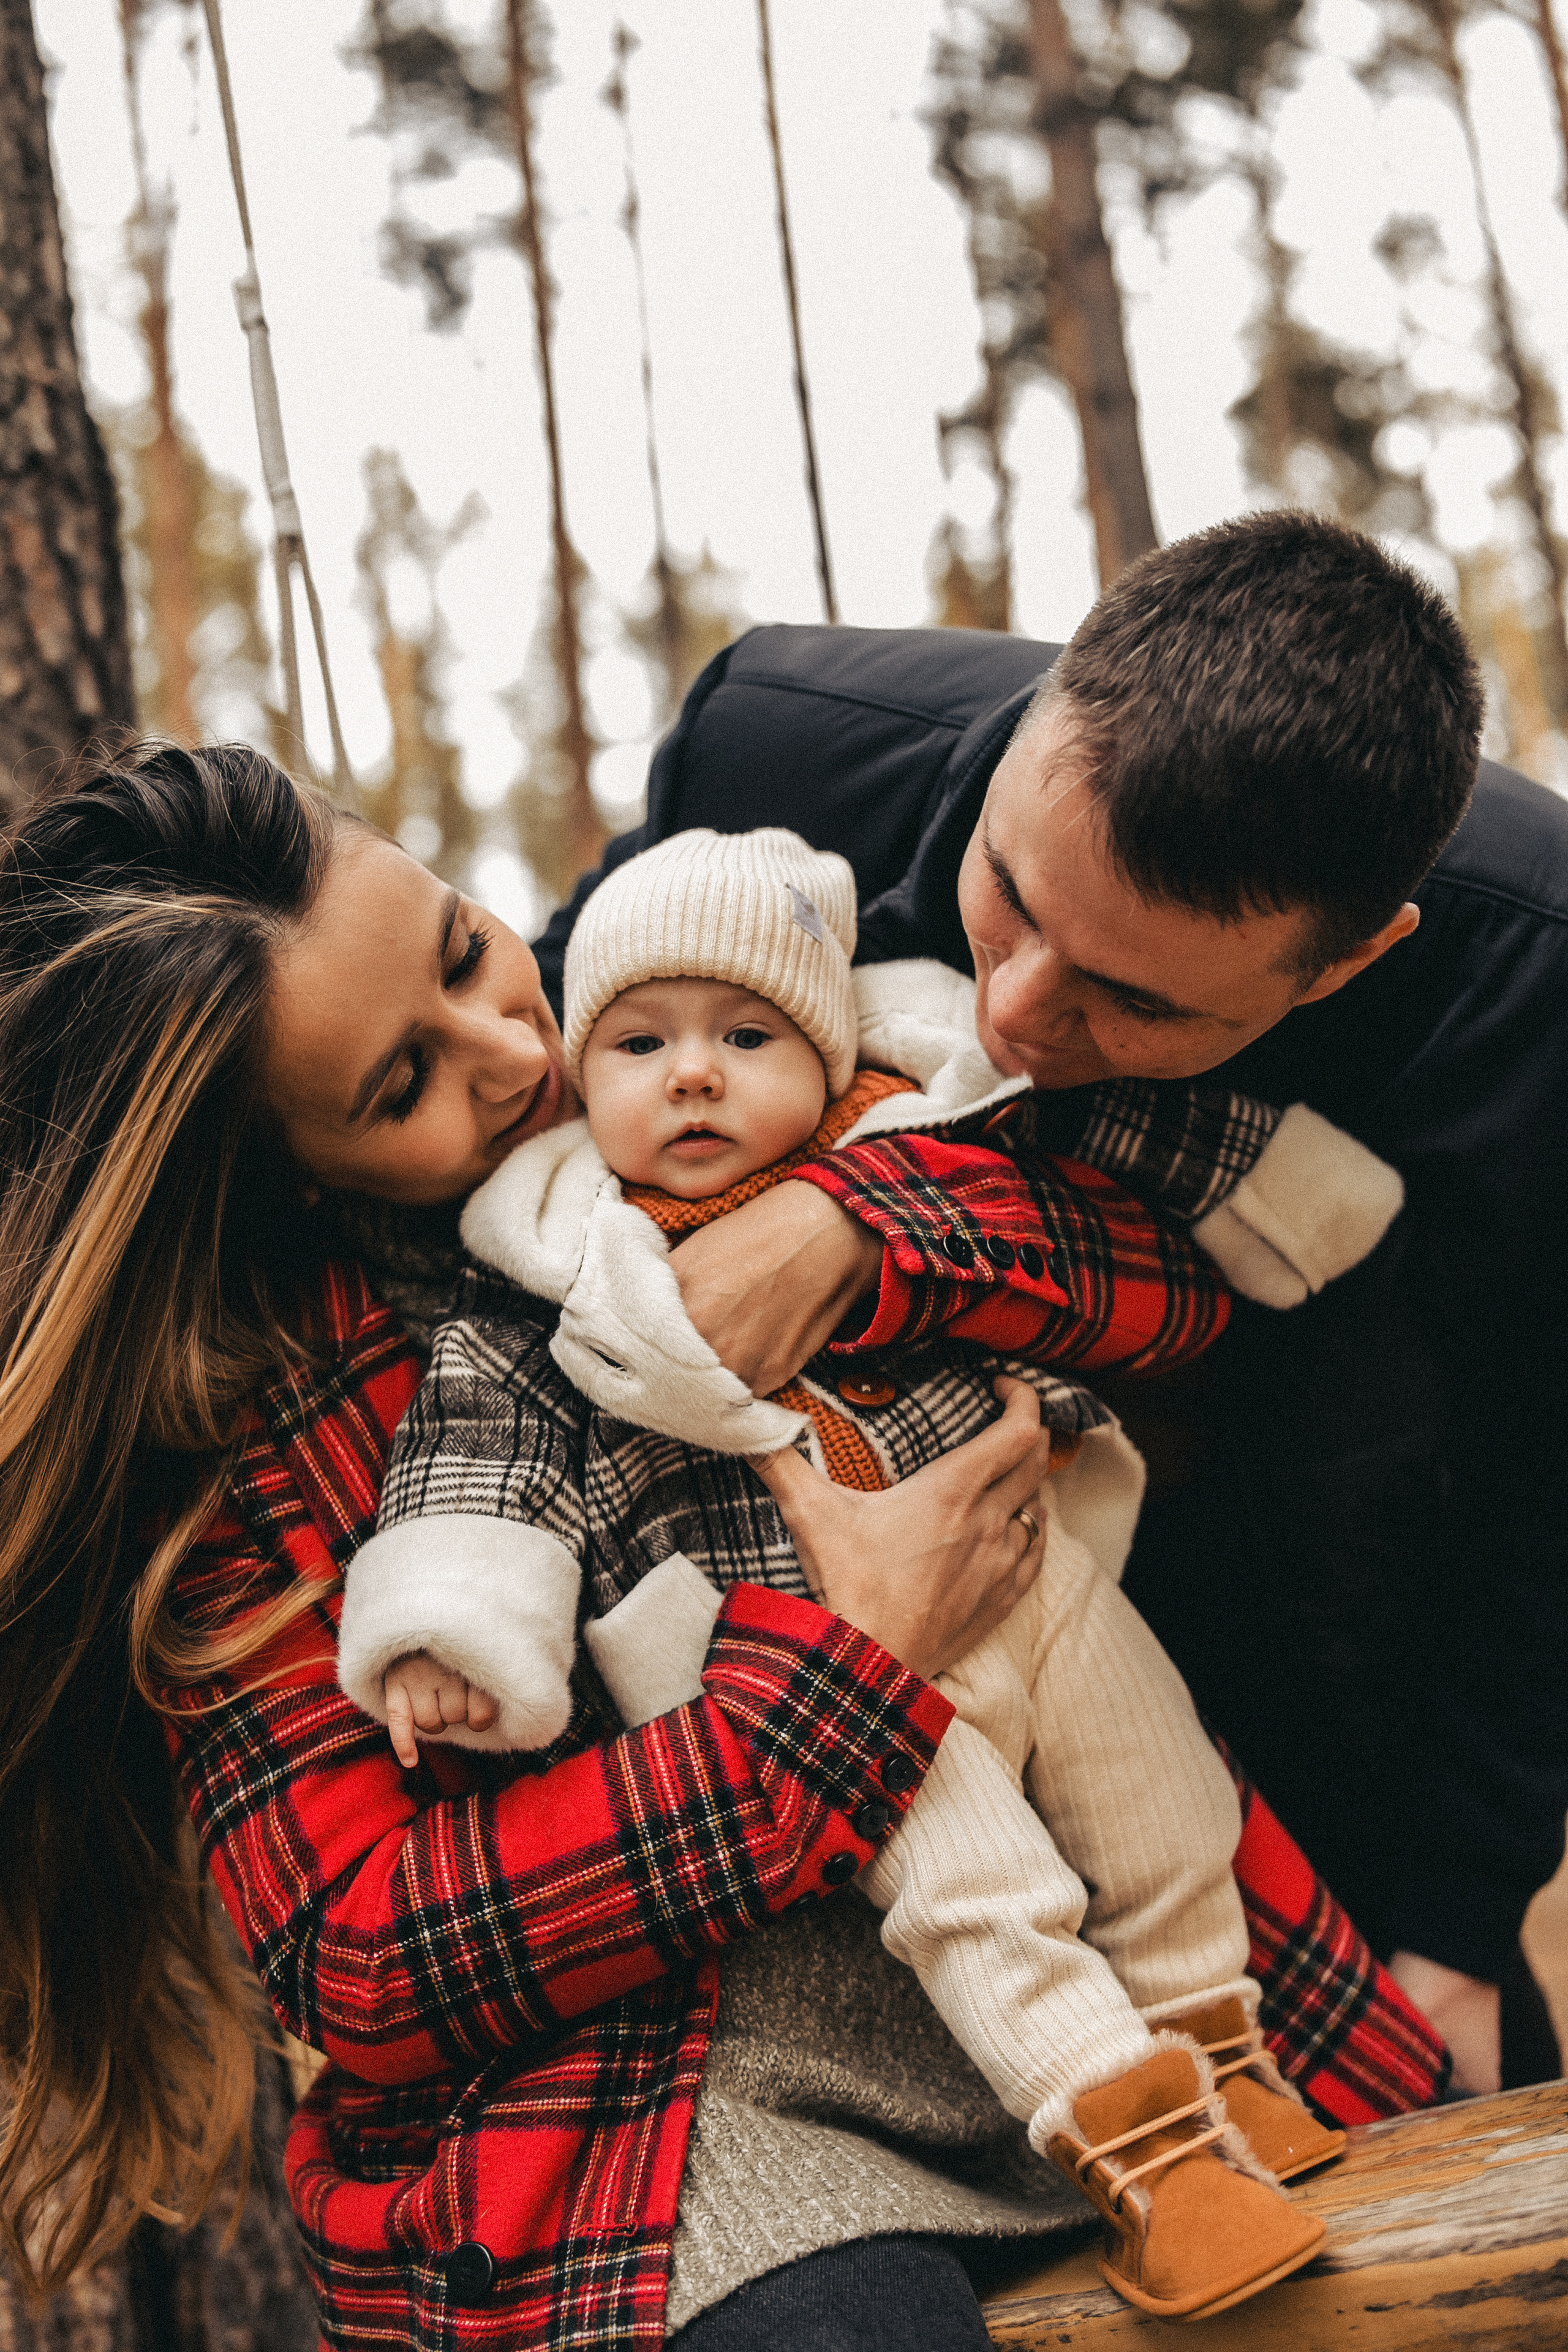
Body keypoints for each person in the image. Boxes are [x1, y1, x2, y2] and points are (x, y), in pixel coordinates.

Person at [0, 744, 1441, 2352]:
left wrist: (851, 1234)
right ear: (277, 1182)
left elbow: (1167, 1295)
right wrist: (837, 1681)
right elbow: (366, 1955)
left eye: (467, 949)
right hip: (661, 2117)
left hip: (1118, 1949)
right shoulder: (259, 1443)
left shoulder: (676, 1024)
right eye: (400, 1084)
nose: (511, 1049)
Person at [536, 510, 1566, 2095]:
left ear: (1348, 965)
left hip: (1336, 1671)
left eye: (1134, 998)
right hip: (858, 1687)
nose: (1016, 1011)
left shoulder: (1539, 995)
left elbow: (1538, 1492)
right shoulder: (770, 751)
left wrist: (1452, 1925)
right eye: (1010, 894)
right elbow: (544, 1120)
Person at [339, 824, 1420, 2316]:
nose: (693, 1075)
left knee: (1162, 1798)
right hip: (806, 1648)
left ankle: (1221, 2052)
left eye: (744, 1033)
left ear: (827, 1034)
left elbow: (1117, 1142)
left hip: (1031, 1574)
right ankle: (1156, 2164)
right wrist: (451, 1630)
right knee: (983, 1895)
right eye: (641, 1043)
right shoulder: (551, 1259)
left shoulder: (909, 1113)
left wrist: (1290, 1200)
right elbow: (475, 1456)